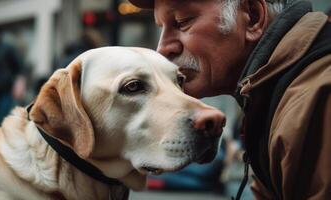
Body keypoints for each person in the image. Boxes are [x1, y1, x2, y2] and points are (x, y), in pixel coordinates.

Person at [129, 0, 331, 199]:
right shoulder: (273, 91)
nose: (163, 48)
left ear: (252, 17)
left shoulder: (316, 97)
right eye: (162, 28)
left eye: (182, 22)